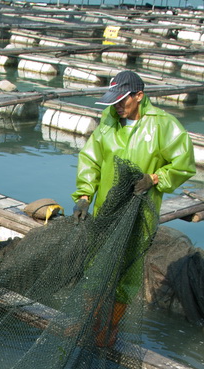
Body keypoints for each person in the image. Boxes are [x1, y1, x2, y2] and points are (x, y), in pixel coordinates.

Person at [71, 70, 196, 345]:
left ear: (139, 96)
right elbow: (90, 158)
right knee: (94, 266)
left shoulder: (164, 125)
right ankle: (87, 322)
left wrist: (155, 178)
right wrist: (83, 196)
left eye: (122, 101)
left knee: (126, 274)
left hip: (140, 215)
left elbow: (184, 164)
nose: (117, 106)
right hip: (107, 211)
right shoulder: (109, 120)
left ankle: (110, 329)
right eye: (113, 101)